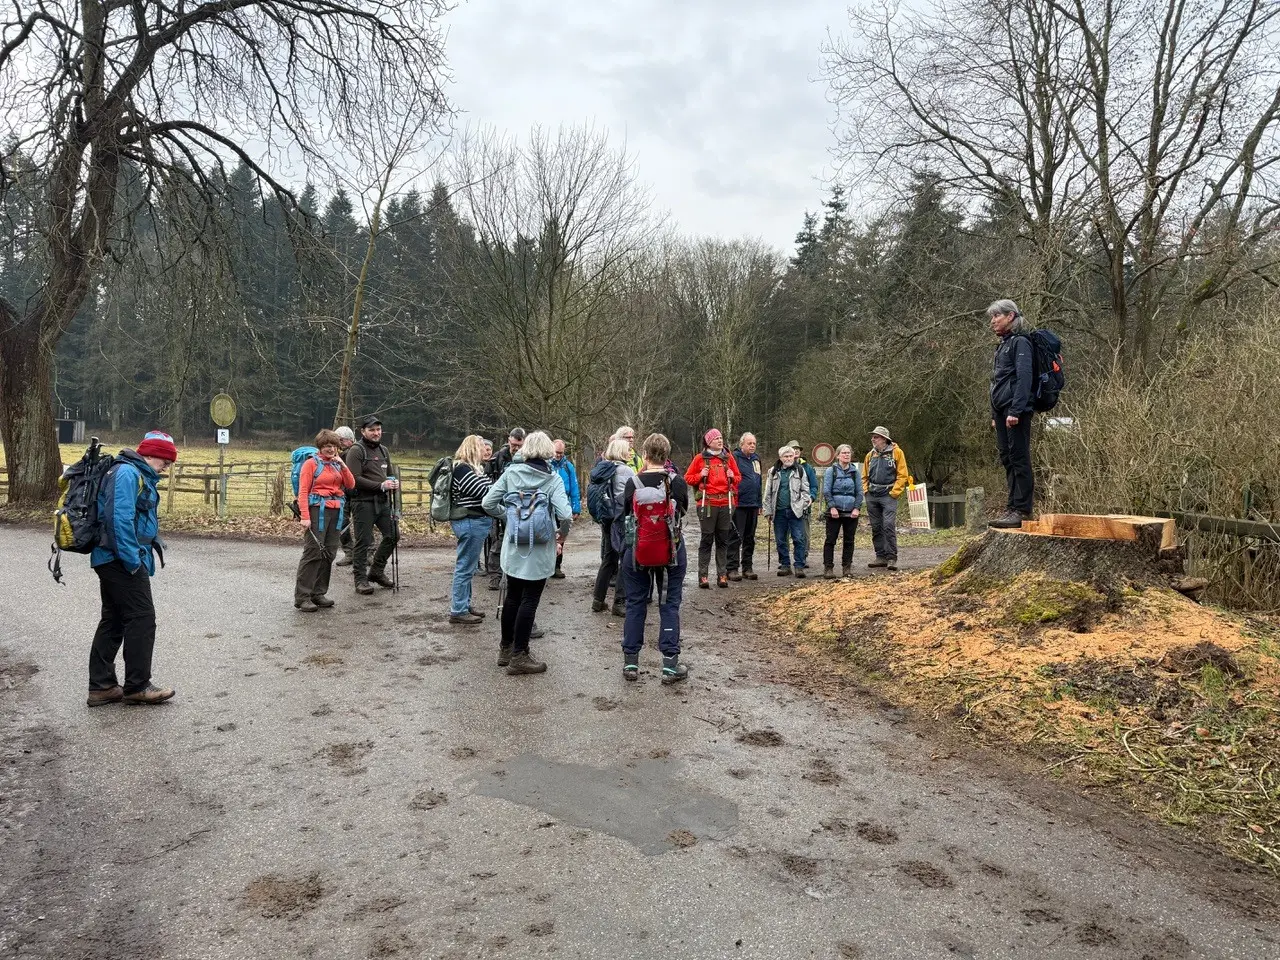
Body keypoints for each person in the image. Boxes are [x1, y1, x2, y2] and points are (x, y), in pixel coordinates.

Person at [87, 431, 179, 707]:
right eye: (165, 460)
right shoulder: (128, 474)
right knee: (141, 618)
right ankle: (137, 686)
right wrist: (132, 561)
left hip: (111, 558)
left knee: (114, 619)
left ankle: (102, 687)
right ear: (150, 454)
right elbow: (119, 519)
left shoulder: (132, 473)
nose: (167, 466)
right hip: (119, 559)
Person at [482, 431, 573, 675]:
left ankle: (506, 648)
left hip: (514, 546)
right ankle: (520, 655)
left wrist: (510, 518)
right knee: (529, 600)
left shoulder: (511, 473)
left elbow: (488, 503)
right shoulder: (552, 479)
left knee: (512, 596)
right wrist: (560, 536)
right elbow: (565, 515)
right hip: (540, 547)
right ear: (547, 452)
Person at [619, 432, 690, 684]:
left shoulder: (632, 483)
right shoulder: (677, 482)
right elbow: (682, 511)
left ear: (645, 455)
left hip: (638, 551)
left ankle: (631, 663)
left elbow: (627, 515)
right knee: (669, 605)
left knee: (635, 604)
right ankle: (670, 665)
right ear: (667, 455)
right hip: (670, 551)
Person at [294, 429, 357, 611]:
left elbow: (351, 484)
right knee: (313, 552)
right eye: (327, 446)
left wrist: (343, 465)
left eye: (334, 446)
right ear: (320, 447)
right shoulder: (310, 464)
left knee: (329, 552)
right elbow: (303, 492)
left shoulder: (337, 464)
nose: (331, 449)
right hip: (316, 511)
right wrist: (305, 517)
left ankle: (319, 593)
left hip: (336, 511)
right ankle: (303, 596)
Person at [987, 299, 1036, 528]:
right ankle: (1011, 507)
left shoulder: (1021, 343)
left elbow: (1024, 378)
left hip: (1015, 411)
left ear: (1011, 316)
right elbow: (998, 381)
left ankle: (1023, 510)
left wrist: (1015, 410)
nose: (993, 321)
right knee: (1007, 458)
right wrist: (995, 414)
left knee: (1019, 457)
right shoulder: (1003, 345)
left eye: (997, 316)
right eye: (992, 317)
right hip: (1002, 412)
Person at [343, 414, 400, 595]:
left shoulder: (383, 450)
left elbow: (389, 474)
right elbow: (354, 479)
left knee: (393, 535)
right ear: (363, 431)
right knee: (363, 542)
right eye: (372, 430)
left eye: (378, 429)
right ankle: (360, 580)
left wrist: (392, 481)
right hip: (362, 502)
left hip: (382, 502)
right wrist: (380, 485)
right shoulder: (356, 450)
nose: (376, 433)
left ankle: (376, 571)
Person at [447, 435, 493, 625]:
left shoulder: (472, 469)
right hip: (470, 521)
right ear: (475, 448)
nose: (486, 450)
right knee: (465, 567)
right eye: (483, 447)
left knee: (469, 567)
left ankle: (464, 605)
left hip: (475, 522)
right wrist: (494, 485)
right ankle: (458, 609)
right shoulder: (463, 469)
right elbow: (485, 491)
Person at [685, 428, 740, 588]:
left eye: (721, 438)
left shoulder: (728, 458)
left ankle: (722, 575)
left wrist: (732, 477)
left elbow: (738, 478)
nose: (720, 440)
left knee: (723, 540)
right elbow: (688, 478)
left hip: (725, 503)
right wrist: (700, 475)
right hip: (707, 504)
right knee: (707, 540)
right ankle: (703, 576)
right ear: (709, 442)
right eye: (716, 438)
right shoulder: (699, 459)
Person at [591, 436, 636, 615]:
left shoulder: (602, 468)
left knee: (609, 559)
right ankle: (620, 602)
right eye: (627, 449)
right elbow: (632, 495)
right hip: (621, 518)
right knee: (625, 558)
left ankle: (598, 599)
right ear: (621, 452)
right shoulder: (626, 471)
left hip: (606, 518)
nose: (630, 452)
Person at [862, 426, 909, 571]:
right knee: (876, 527)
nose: (873, 439)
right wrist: (866, 491)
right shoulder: (870, 455)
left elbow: (903, 475)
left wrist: (894, 493)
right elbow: (864, 476)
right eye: (873, 437)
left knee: (888, 525)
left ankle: (892, 558)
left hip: (888, 495)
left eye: (876, 437)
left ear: (884, 439)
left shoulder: (897, 453)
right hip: (873, 495)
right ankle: (880, 556)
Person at [763, 445, 813, 577]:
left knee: (798, 538)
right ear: (780, 458)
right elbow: (767, 493)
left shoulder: (800, 470)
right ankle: (785, 565)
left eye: (791, 456)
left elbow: (806, 491)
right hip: (778, 511)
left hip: (795, 511)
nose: (789, 458)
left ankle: (799, 566)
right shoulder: (773, 471)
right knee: (780, 540)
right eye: (786, 456)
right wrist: (767, 511)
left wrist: (802, 505)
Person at [486, 427, 525, 588]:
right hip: (500, 504)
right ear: (509, 440)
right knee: (497, 539)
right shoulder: (497, 458)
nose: (515, 448)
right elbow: (487, 478)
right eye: (513, 444)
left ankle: (517, 574)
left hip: (521, 505)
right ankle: (495, 574)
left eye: (518, 445)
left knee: (519, 539)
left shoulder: (526, 458)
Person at [822, 444, 864, 578]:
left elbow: (859, 492)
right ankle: (828, 568)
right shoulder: (831, 471)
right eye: (844, 453)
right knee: (830, 540)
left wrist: (857, 508)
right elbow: (826, 491)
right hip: (834, 512)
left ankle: (847, 568)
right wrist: (832, 507)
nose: (847, 455)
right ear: (838, 455)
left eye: (848, 453)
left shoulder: (855, 472)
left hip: (851, 512)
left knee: (849, 541)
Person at [727, 433, 762, 581]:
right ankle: (732, 568)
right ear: (742, 444)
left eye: (754, 443)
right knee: (735, 536)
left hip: (753, 504)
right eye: (749, 443)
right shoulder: (734, 458)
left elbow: (759, 481)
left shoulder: (756, 459)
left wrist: (759, 503)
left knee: (750, 537)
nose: (752, 446)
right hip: (739, 504)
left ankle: (747, 567)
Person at [550, 438, 581, 579]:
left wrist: (576, 508)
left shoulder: (568, 467)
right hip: (549, 506)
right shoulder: (547, 465)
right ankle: (546, 565)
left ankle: (557, 566)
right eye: (556, 452)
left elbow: (574, 488)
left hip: (563, 505)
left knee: (561, 536)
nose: (558, 455)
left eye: (561, 453)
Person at [333, 425, 358, 567]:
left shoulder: (358, 452)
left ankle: (367, 553)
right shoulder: (337, 455)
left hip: (358, 493)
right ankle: (349, 552)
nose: (339, 443)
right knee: (341, 521)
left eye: (342, 440)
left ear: (349, 440)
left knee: (362, 523)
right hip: (343, 493)